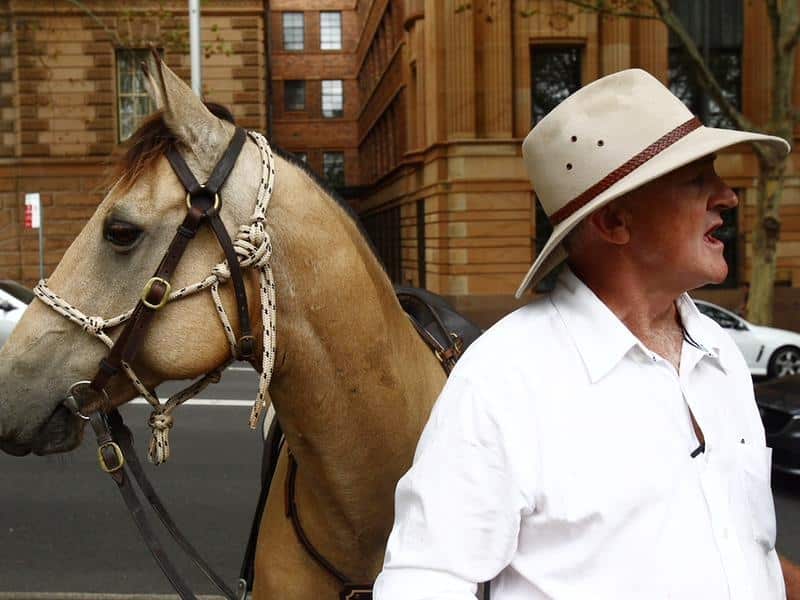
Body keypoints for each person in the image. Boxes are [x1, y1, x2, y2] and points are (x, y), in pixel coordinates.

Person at [373, 69, 800, 599]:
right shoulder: (505, 379)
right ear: (615, 222)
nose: (727, 197)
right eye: (695, 179)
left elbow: (737, 540)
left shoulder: (719, 352)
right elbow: (426, 580)